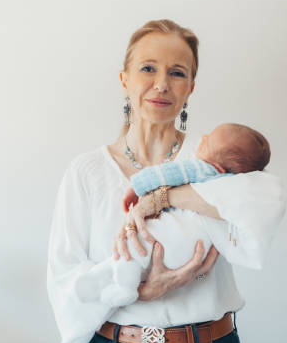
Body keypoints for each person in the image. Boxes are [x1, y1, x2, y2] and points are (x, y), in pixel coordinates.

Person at [47, 19, 285, 343]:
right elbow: (64, 280)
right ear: (124, 79)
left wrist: (165, 198)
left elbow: (263, 207)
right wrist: (142, 293)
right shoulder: (86, 172)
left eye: (177, 73)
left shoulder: (215, 160)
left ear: (190, 88)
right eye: (148, 68)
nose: (161, 84)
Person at [73, 123, 271, 308]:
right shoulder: (235, 185)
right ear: (124, 83)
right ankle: (122, 284)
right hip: (192, 252)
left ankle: (114, 279)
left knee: (136, 247)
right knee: (138, 250)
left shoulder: (201, 166)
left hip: (207, 329)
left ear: (191, 86)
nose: (162, 86)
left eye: (208, 139)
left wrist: (139, 187)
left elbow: (166, 174)